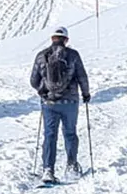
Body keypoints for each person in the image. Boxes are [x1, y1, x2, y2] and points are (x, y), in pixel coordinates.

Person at [30, 25, 90, 183]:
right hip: (70, 102)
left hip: (49, 103)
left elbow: (33, 80)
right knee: (70, 133)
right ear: (66, 39)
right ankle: (71, 166)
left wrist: (43, 91)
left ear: (52, 38)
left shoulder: (41, 56)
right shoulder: (73, 55)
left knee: (50, 135)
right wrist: (85, 94)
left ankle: (48, 170)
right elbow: (82, 76)